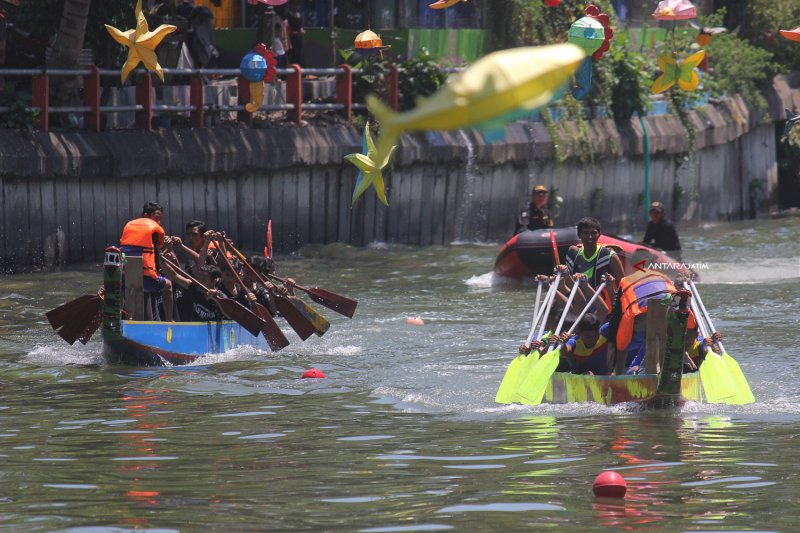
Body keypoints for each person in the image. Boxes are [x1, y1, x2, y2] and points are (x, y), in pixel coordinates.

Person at [606, 268, 678, 374]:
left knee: (622, 345)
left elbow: (615, 318)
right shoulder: (663, 276)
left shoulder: (626, 280)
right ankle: (660, 368)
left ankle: (618, 373)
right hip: (669, 308)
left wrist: (612, 347)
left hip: (641, 313)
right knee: (665, 336)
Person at [120, 202, 174, 321]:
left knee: (123, 289)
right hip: (145, 279)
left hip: (125, 277)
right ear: (146, 215)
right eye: (156, 219)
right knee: (169, 285)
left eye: (160, 220)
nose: (158, 223)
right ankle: (170, 320)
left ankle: (122, 319)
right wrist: (167, 246)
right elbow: (156, 253)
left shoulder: (129, 225)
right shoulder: (156, 230)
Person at [565, 218, 624, 310]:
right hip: (579, 307)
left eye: (593, 233)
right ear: (579, 235)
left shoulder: (610, 257)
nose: (590, 237)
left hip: (602, 309)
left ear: (599, 234)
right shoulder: (573, 255)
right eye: (586, 233)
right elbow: (567, 285)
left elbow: (623, 286)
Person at [285, 0, 305, 67]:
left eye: (297, 4)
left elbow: (301, 26)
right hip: (290, 39)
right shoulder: (288, 15)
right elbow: (287, 28)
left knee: (299, 56)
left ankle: (299, 72)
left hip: (298, 40)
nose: (296, 6)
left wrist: (302, 31)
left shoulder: (300, 16)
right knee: (291, 56)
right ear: (290, 4)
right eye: (294, 4)